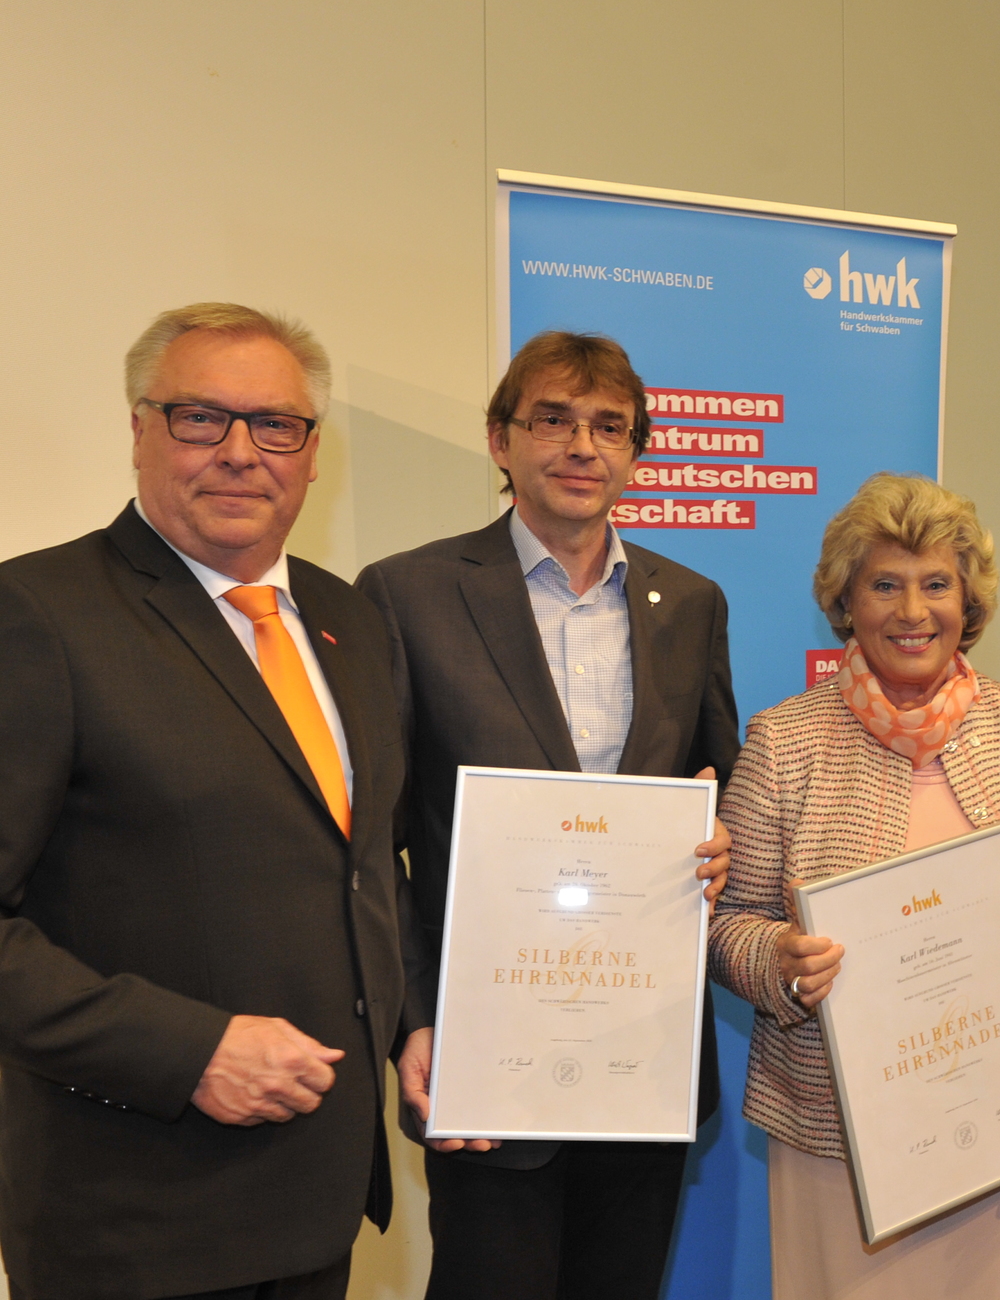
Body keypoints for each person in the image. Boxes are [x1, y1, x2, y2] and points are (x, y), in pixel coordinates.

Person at [0, 303, 410, 1298]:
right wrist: (189, 1051)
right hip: (136, 1217)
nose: (240, 452)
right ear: (139, 429)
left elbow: (361, 870)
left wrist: (418, 1026)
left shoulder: (349, 617)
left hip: (315, 1206)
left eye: (275, 425)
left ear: (312, 455)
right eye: (199, 418)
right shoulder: (37, 616)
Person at [355, 331, 737, 1300]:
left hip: (639, 1056)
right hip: (486, 1054)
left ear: (635, 452)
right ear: (500, 439)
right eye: (553, 420)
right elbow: (373, 839)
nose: (582, 446)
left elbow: (717, 781)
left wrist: (721, 837)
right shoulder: (407, 595)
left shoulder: (690, 603)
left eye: (609, 426)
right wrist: (416, 1021)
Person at [709, 472, 1000, 1300]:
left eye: (936, 583)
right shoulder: (783, 741)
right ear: (846, 602)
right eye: (885, 585)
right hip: (842, 1149)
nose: (913, 611)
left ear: (968, 600)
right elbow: (729, 922)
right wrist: (781, 963)